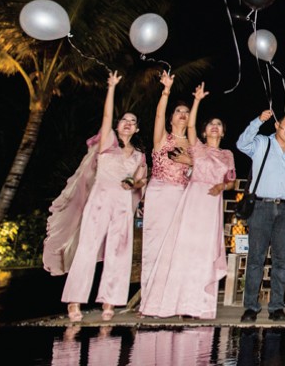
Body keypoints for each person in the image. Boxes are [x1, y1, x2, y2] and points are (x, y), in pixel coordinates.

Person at [58, 71, 147, 322]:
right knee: (87, 246)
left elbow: (142, 180)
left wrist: (134, 183)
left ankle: (109, 301)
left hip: (122, 203)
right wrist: (111, 88)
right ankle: (74, 301)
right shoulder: (108, 143)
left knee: (119, 250)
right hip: (100, 200)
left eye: (132, 121)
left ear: (137, 128)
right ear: (118, 126)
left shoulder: (139, 155)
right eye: (124, 120)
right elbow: (106, 116)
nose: (128, 123)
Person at [140, 95, 238, 319]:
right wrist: (189, 98)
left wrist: (221, 184)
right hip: (179, 198)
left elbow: (228, 178)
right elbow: (186, 124)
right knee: (170, 250)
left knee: (198, 252)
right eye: (211, 124)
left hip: (202, 202)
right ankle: (159, 302)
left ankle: (194, 304)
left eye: (219, 125)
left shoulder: (221, 153)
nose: (214, 127)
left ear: (223, 132)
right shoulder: (193, 146)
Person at [236, 108, 285, 323]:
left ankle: (277, 306)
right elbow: (241, 144)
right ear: (277, 125)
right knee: (256, 258)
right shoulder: (262, 143)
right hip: (261, 206)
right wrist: (258, 120)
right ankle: (251, 307)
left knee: (282, 260)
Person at [140, 71, 199, 297]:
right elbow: (158, 115)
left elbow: (204, 169)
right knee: (155, 244)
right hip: (160, 193)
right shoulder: (163, 138)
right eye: (178, 111)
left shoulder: (194, 145)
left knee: (177, 246)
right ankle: (149, 296)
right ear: (171, 118)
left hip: (183, 197)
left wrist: (190, 161)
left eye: (186, 112)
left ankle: (172, 296)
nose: (182, 114)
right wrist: (166, 91)